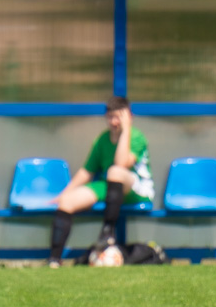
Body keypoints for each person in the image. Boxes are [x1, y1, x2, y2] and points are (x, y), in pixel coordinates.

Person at [48, 96, 154, 268]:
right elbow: (87, 171)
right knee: (67, 202)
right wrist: (64, 194)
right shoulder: (102, 140)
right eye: (110, 116)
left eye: (119, 117)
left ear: (129, 117)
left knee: (115, 171)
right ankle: (54, 259)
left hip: (136, 189)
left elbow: (121, 164)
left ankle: (107, 232)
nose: (114, 122)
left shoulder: (136, 137)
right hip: (109, 186)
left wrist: (126, 131)